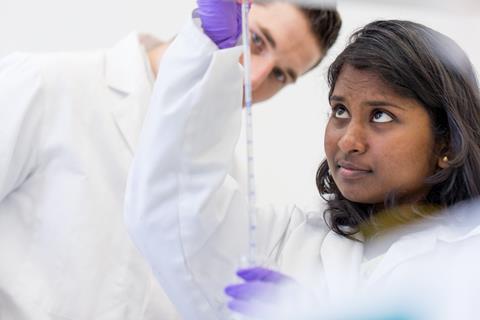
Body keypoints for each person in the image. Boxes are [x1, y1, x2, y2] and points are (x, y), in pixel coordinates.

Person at [0, 1, 341, 319]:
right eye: (255, 40)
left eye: (281, 75)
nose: (254, 78)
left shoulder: (221, 181)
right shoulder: (46, 85)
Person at [124, 16, 480, 320]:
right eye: (340, 110)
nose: (348, 141)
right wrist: (211, 51)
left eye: (381, 116)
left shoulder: (468, 263)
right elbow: (172, 216)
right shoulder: (288, 240)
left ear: (447, 143)